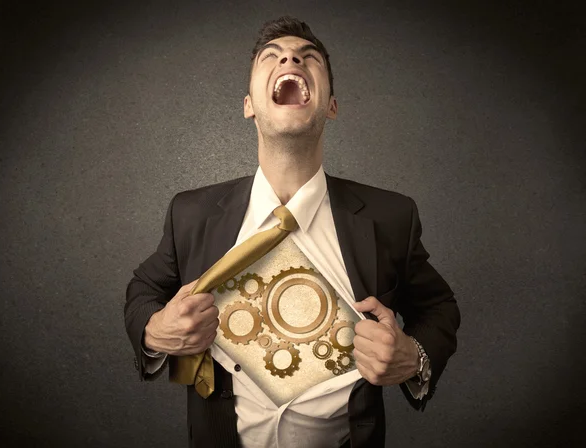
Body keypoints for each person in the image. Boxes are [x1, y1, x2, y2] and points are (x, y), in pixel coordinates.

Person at [124, 16, 461, 448]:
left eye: (309, 57)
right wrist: (154, 332)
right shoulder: (190, 213)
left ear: (331, 105)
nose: (290, 57)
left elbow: (439, 307)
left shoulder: (391, 216)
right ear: (249, 104)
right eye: (273, 56)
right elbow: (143, 290)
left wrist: (413, 359)